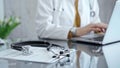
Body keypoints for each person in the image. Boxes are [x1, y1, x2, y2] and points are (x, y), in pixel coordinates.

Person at [36, 0, 107, 40]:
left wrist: (102, 31)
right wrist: (75, 31)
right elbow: (42, 29)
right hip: (60, 51)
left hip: (85, 52)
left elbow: (95, 23)